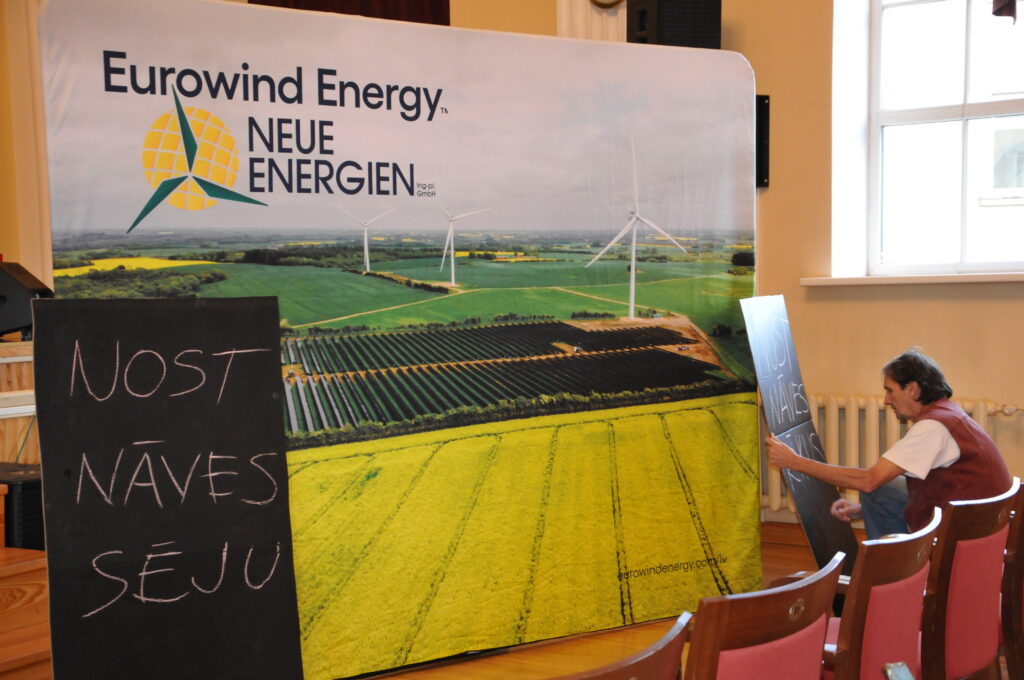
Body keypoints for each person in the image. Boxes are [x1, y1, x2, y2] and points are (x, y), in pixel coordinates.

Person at [765, 349, 1011, 539]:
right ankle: (894, 569)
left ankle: (894, 575)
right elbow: (918, 484)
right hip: (981, 518)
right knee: (881, 490)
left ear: (912, 389)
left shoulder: (933, 427)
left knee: (874, 484)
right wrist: (862, 509)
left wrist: (793, 461)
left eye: (890, 391)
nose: (886, 400)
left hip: (970, 531)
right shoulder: (947, 412)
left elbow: (868, 480)